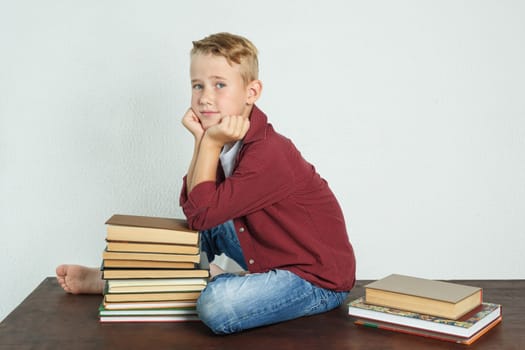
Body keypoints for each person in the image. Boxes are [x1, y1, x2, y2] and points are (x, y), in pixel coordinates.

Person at [56, 32, 356, 335]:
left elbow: (200, 213)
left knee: (217, 306)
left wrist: (208, 142)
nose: (205, 97)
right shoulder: (227, 139)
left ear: (251, 92)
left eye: (220, 85)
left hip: (315, 278)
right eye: (197, 85)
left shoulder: (269, 152)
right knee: (203, 230)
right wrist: (202, 140)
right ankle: (117, 280)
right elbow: (194, 211)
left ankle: (211, 280)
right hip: (269, 253)